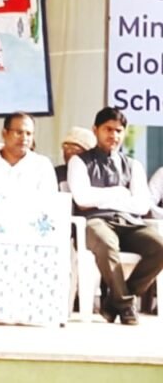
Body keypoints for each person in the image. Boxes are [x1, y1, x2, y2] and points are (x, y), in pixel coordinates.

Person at [68, 107, 163, 325]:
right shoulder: (79, 162)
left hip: (129, 223)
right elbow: (82, 198)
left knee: (160, 247)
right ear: (95, 130)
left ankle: (114, 302)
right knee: (107, 242)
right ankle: (126, 306)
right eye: (108, 129)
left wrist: (99, 197)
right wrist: (120, 192)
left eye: (118, 131)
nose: (113, 135)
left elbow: (141, 205)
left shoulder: (133, 165)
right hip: (95, 222)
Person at [55, 127, 96, 192]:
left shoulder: (96, 175)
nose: (68, 152)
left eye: (74, 149)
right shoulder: (56, 173)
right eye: (65, 147)